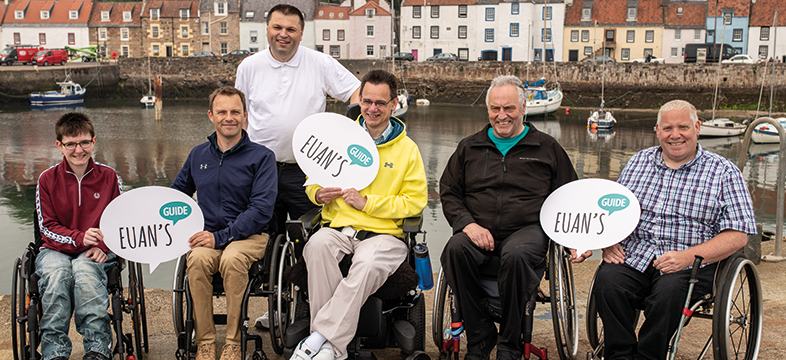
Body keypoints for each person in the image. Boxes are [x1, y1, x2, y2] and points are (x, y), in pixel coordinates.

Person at [592, 100, 757, 360]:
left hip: (690, 262)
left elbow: (738, 233)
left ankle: (649, 356)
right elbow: (615, 209)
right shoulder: (638, 162)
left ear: (697, 127)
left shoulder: (724, 172)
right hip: (636, 254)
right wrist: (609, 241)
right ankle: (620, 354)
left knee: (667, 295)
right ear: (657, 130)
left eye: (683, 127)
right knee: (608, 282)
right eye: (668, 128)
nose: (675, 134)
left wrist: (689, 256)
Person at [439, 75, 583, 360]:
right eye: (495, 109)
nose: (501, 116)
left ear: (523, 107)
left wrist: (574, 239)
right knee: (454, 250)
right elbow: (449, 191)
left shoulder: (546, 148)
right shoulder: (470, 147)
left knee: (517, 255)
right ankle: (480, 336)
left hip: (527, 229)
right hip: (478, 228)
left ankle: (510, 344)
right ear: (488, 109)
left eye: (509, 108)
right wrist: (468, 224)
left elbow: (570, 195)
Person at [235, 4, 361, 328]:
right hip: (260, 169)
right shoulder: (249, 67)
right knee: (266, 239)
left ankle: (311, 308)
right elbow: (238, 113)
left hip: (307, 171)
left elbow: (356, 93)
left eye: (291, 29)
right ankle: (274, 307)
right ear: (267, 29)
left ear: (302, 33)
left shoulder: (319, 63)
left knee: (311, 239)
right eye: (278, 27)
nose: (283, 34)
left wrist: (349, 134)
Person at [290, 70, 428, 360]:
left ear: (394, 104)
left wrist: (369, 203)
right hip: (338, 228)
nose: (372, 109)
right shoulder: (338, 139)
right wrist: (317, 194)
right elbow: (312, 182)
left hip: (384, 235)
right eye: (367, 101)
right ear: (359, 102)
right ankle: (330, 348)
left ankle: (320, 340)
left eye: (380, 102)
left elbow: (414, 203)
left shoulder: (407, 150)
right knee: (316, 246)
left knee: (366, 263)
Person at [170, 86, 278, 360]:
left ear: (245, 117)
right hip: (209, 235)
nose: (228, 117)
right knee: (196, 260)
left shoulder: (262, 157)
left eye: (235, 112)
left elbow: (261, 210)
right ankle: (206, 341)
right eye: (222, 112)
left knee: (231, 259)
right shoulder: (198, 155)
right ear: (211, 115)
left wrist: (221, 237)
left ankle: (233, 340)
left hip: (249, 236)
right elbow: (175, 196)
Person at [35, 112, 122, 360]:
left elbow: (120, 219)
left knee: (85, 271)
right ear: (59, 146)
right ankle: (55, 351)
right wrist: (78, 237)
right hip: (55, 248)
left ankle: (97, 348)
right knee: (57, 274)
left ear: (94, 142)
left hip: (95, 249)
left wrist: (104, 245)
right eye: (71, 144)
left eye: (84, 142)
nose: (78, 150)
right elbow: (46, 226)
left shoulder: (109, 176)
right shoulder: (47, 179)